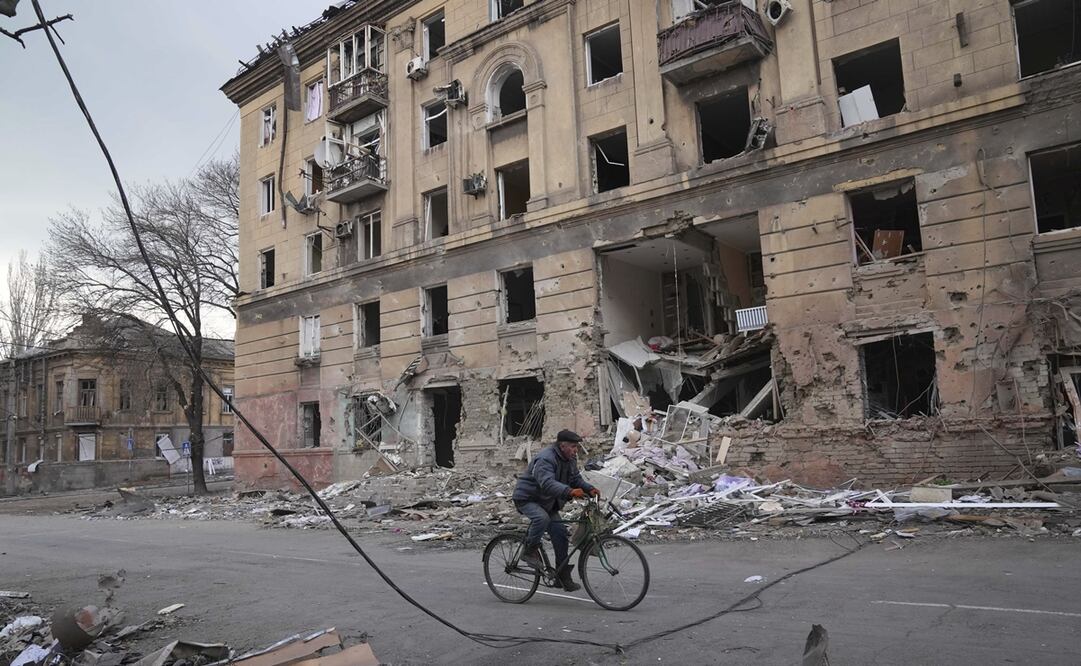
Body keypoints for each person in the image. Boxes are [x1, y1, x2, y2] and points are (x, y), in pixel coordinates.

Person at [512, 429, 599, 592]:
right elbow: (547, 483)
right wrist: (569, 491)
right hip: (528, 498)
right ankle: (529, 551)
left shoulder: (569, 459)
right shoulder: (546, 458)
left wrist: (589, 488)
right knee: (542, 519)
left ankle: (562, 576)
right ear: (562, 446)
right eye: (573, 446)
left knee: (560, 534)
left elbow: (575, 478)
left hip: (547, 502)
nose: (575, 450)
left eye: (576, 447)